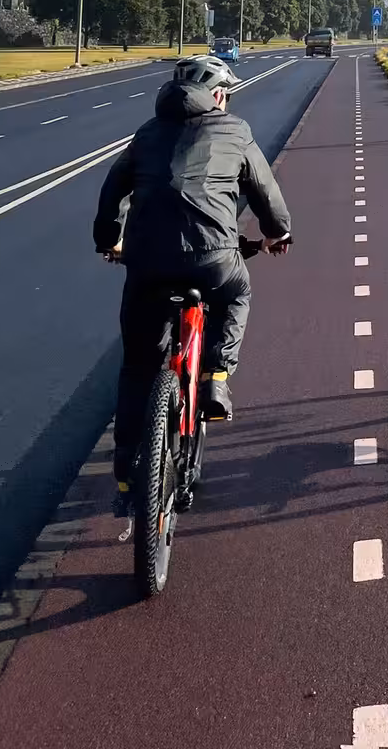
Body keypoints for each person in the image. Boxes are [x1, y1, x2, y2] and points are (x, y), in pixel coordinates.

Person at [93, 54, 292, 519]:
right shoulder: (235, 131)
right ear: (219, 94)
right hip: (214, 259)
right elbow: (264, 189)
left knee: (138, 368)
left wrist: (109, 241)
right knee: (238, 293)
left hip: (146, 264)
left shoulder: (145, 134)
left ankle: (126, 478)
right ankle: (217, 375)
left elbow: (112, 191)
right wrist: (278, 232)